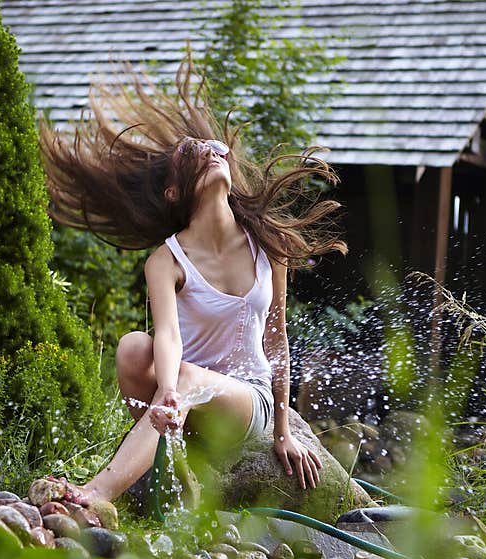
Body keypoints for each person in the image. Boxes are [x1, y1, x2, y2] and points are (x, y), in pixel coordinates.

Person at [36, 59, 347, 507]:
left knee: (184, 378)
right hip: (182, 388)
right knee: (130, 347)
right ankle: (167, 455)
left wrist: (284, 431)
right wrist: (167, 390)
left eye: (217, 149)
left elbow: (276, 339)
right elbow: (168, 336)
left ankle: (100, 491)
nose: (213, 152)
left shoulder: (268, 246)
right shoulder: (166, 260)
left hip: (245, 402)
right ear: (174, 193)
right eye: (197, 154)